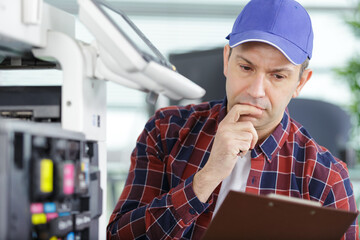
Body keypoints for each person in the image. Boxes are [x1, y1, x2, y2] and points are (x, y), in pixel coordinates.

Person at [107, 0, 359, 239]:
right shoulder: (165, 130)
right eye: (246, 68)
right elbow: (118, 236)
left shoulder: (327, 177)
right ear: (227, 60)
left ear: (300, 83)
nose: (256, 90)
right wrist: (206, 178)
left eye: (278, 76)